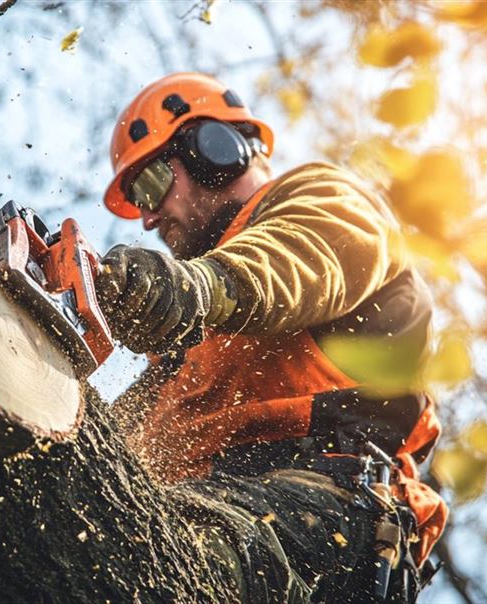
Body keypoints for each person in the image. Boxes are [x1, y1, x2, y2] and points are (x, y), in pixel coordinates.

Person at [95, 73, 448, 603]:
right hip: (202, 499)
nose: (147, 219)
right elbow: (117, 442)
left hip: (317, 500)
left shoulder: (319, 201)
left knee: (159, 560)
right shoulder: (186, 348)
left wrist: (193, 288)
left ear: (212, 150)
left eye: (149, 187)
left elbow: (296, 261)